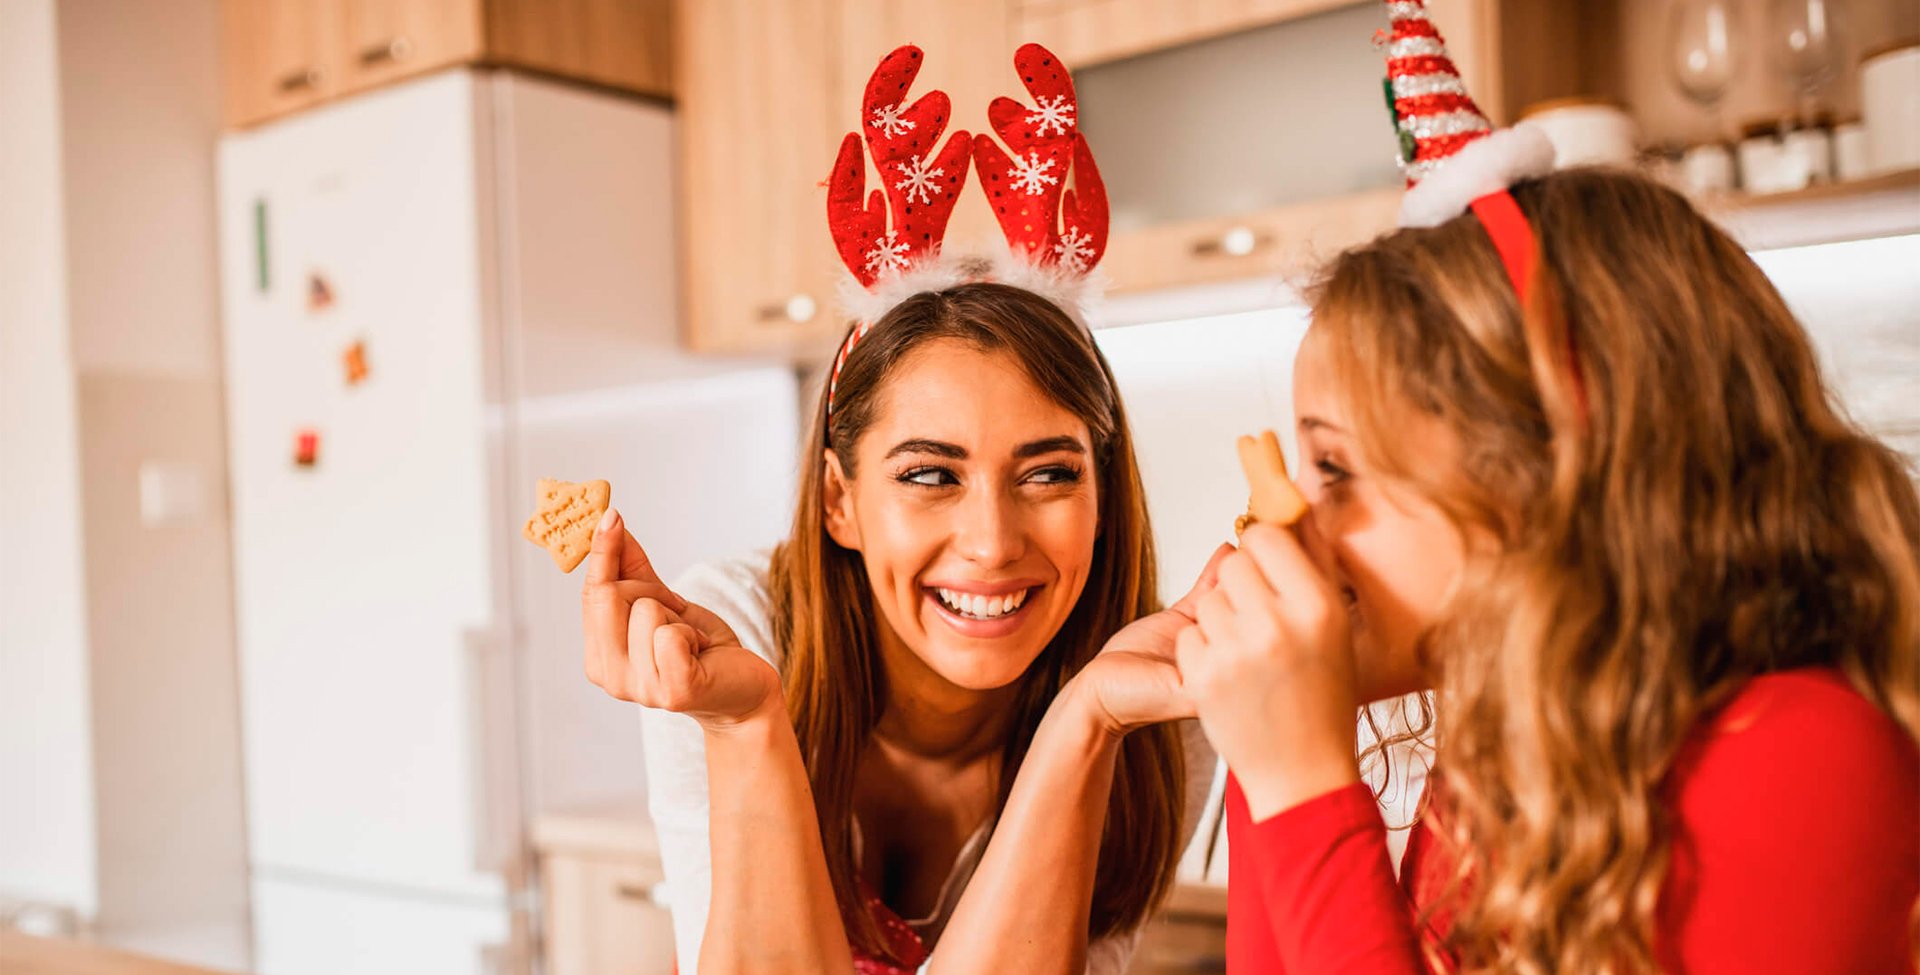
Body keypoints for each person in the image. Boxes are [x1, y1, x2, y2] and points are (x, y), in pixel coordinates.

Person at [1177, 5, 1920, 972]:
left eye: (1339, 471)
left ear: (1546, 477)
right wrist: (1266, 748)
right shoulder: (1510, 757)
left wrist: (1301, 781)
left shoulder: (1804, 754)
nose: (1298, 527)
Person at [581, 44, 1219, 974]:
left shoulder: (1153, 702)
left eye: (1047, 473)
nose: (994, 542)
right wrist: (746, 725)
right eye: (929, 474)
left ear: (1104, 492)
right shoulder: (741, 636)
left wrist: (1084, 723)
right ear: (840, 499)